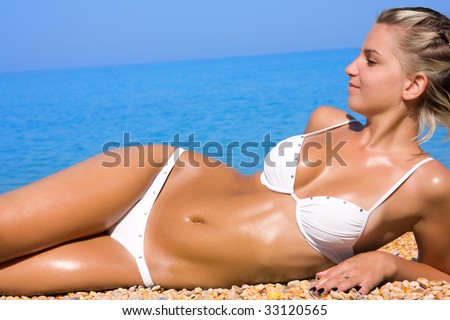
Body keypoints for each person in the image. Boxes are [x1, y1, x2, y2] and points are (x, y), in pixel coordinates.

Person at [1, 7, 449, 296]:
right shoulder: (326, 121)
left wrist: (388, 262)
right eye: (359, 54)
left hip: (147, 265)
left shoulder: (427, 184)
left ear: (413, 84)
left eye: (371, 60)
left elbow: (443, 276)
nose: (350, 67)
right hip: (153, 180)